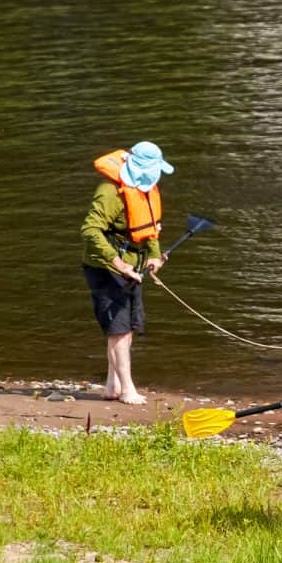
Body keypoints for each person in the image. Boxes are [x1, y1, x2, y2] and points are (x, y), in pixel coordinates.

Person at [81, 141, 173, 405]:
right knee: (118, 331)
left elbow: (150, 228)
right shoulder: (110, 192)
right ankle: (128, 389)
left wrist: (154, 255)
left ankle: (113, 384)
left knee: (126, 329)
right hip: (105, 267)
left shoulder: (145, 189)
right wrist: (118, 264)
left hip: (133, 266)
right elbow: (90, 230)